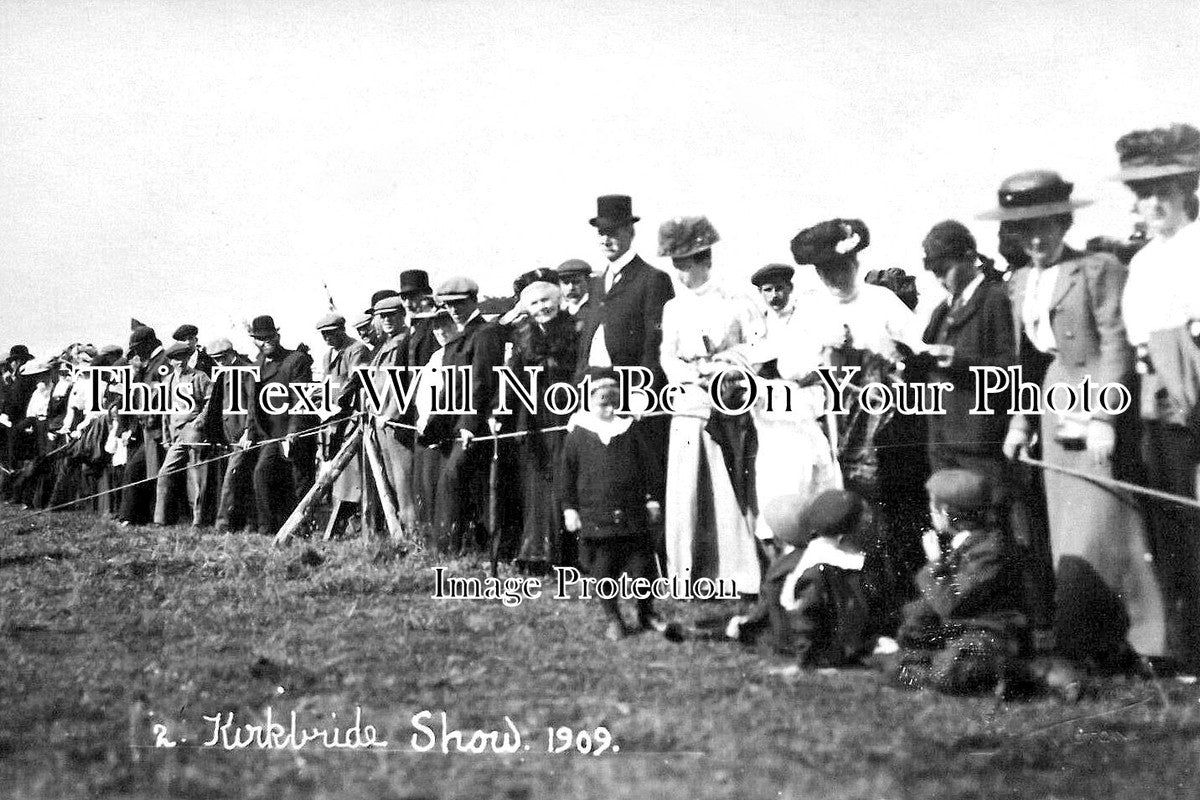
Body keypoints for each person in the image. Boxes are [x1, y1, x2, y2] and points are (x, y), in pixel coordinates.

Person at [984, 170, 1166, 671]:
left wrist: (1104, 414)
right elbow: (1027, 358)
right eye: (1025, 231)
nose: (1036, 239)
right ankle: (1085, 641)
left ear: (1063, 222)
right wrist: (1019, 422)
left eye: (1045, 226)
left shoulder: (1098, 268)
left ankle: (1144, 642)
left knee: (1106, 521)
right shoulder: (1020, 282)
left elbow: (1115, 344)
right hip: (1052, 402)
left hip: (1095, 396)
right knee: (1067, 530)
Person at [782, 219, 928, 633]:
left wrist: (886, 357)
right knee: (843, 515)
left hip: (886, 429)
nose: (835, 278)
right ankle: (851, 607)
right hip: (834, 428)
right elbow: (790, 365)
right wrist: (823, 356)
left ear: (855, 259)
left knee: (890, 517)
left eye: (842, 266)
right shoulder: (811, 308)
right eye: (826, 271)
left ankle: (897, 606)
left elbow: (918, 344)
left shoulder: (881, 300)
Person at [1111, 123, 1200, 670]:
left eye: (1163, 191)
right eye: (1143, 194)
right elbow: (1138, 339)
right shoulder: (1142, 264)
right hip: (1161, 402)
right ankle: (1186, 644)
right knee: (1172, 520)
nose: (1152, 204)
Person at [659, 215, 766, 596]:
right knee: (688, 485)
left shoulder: (737, 300)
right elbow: (667, 357)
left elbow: (759, 345)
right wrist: (688, 376)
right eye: (674, 264)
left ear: (702, 260)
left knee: (727, 482)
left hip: (729, 400)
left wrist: (726, 366)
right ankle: (689, 573)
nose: (678, 272)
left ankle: (736, 573)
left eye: (683, 263)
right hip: (689, 402)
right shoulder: (674, 307)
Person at [894, 469, 1031, 695]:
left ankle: (1016, 673)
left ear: (947, 512)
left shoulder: (990, 551)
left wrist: (936, 564)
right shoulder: (964, 543)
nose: (930, 512)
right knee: (915, 626)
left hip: (993, 634)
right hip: (962, 630)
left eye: (932, 506)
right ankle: (927, 668)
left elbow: (952, 603)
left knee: (948, 672)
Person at [558, 369, 664, 640]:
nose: (608, 409)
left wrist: (652, 500)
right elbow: (566, 476)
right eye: (602, 403)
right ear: (590, 402)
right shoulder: (578, 435)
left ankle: (646, 611)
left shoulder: (629, 430)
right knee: (604, 569)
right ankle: (614, 617)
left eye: (613, 402)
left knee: (642, 566)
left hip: (631, 513)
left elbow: (651, 469)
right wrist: (570, 508)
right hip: (596, 515)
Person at [726, 491, 874, 666]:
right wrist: (805, 659)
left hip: (823, 639)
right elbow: (805, 617)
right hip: (811, 645)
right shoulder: (820, 567)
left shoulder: (805, 561)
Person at [507, 278, 579, 573]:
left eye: (547, 300)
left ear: (558, 301)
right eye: (535, 303)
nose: (542, 307)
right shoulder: (522, 333)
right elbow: (511, 376)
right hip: (534, 416)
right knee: (537, 482)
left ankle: (566, 554)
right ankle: (537, 552)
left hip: (564, 411)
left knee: (565, 476)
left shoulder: (574, 329)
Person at [432, 276, 506, 553]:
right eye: (449, 305)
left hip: (476, 425)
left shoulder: (485, 333)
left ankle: (452, 550)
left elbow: (481, 382)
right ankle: (462, 548)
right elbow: (450, 387)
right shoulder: (458, 339)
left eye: (460, 303)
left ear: (474, 300)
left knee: (456, 481)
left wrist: (469, 424)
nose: (454, 309)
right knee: (463, 486)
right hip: (455, 424)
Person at [244, 315, 317, 536]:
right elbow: (252, 403)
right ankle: (267, 529)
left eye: (269, 337)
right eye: (259, 339)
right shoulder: (256, 365)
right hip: (269, 435)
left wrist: (293, 432)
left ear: (277, 336)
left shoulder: (296, 361)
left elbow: (300, 399)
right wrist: (249, 431)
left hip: (294, 435)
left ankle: (300, 530)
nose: (265, 342)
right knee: (262, 475)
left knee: (298, 484)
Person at [316, 312, 371, 539]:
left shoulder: (357, 349)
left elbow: (354, 381)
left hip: (351, 420)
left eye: (330, 333)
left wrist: (336, 402)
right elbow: (325, 384)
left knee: (352, 476)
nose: (327, 338)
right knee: (337, 475)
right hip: (332, 422)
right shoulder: (328, 355)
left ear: (341, 330)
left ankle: (355, 526)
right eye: (323, 335)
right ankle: (348, 526)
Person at [153, 341, 213, 526]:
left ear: (188, 358)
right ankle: (160, 520)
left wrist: (199, 421)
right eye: (175, 359)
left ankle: (198, 520)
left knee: (196, 478)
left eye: (183, 358)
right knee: (165, 473)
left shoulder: (199, 376)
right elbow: (165, 412)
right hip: (176, 434)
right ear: (170, 361)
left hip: (194, 432)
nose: (180, 362)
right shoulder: (168, 380)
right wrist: (166, 436)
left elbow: (210, 402)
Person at [205, 338, 258, 533]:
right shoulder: (222, 373)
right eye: (215, 360)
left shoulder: (246, 371)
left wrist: (248, 431)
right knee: (242, 480)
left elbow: (252, 404)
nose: (218, 363)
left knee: (231, 480)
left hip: (241, 436)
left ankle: (222, 525)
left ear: (230, 354)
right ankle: (248, 523)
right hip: (227, 436)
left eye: (221, 358)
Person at [555, 258, 595, 333]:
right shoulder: (560, 314)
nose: (571, 288)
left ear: (588, 282)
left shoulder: (595, 310)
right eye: (566, 283)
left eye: (576, 282)